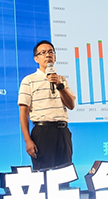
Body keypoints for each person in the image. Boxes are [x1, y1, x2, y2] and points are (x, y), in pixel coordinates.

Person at [18, 40, 76, 170]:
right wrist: (28, 140)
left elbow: (71, 105)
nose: (48, 55)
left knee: (65, 173)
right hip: (42, 132)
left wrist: (59, 86)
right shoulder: (29, 80)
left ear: (54, 57)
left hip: (63, 132)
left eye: (51, 52)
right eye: (43, 52)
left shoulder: (61, 79)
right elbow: (23, 112)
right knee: (45, 175)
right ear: (36, 58)